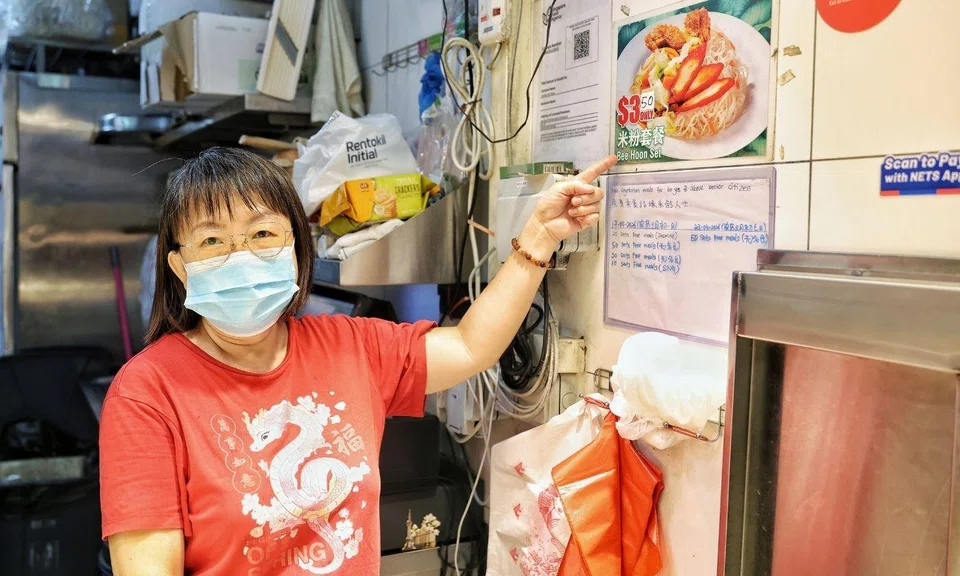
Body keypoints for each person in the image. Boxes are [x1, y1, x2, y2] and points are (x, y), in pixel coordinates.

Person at [100, 147, 615, 575]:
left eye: (262, 234)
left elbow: (470, 346)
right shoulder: (146, 392)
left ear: (295, 248)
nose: (240, 256)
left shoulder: (351, 346)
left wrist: (538, 237)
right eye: (212, 241)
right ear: (179, 266)